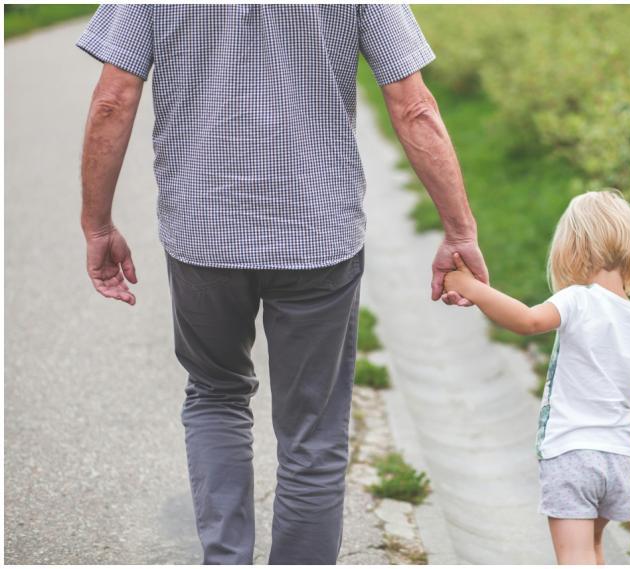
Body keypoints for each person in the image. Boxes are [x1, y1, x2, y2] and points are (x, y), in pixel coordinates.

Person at [76, 4, 487, 564]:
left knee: (216, 396)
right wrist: (459, 229)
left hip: (203, 234)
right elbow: (414, 107)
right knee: (312, 437)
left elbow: (111, 100)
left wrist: (97, 224)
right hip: (317, 237)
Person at [443, 189, 630, 564]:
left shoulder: (578, 299)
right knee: (592, 550)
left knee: (574, 558)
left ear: (573, 250)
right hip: (619, 460)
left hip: (572, 454)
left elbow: (527, 321)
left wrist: (473, 288)